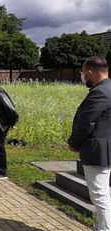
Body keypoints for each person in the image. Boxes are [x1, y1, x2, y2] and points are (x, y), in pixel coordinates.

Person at [68, 56, 111, 231]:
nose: (83, 77)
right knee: (104, 193)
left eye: (83, 73)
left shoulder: (100, 92)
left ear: (89, 72)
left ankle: (105, 228)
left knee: (99, 194)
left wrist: (73, 142)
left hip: (98, 151)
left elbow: (86, 122)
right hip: (106, 147)